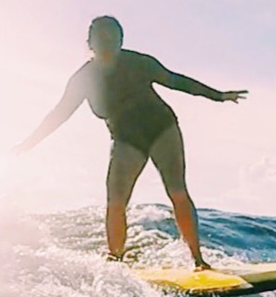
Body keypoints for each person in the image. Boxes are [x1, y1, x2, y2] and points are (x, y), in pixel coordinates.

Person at [15, 16, 245, 268]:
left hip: (161, 128)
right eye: (102, 37)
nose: (108, 42)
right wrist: (29, 143)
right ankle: (116, 262)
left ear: (121, 40)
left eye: (114, 37)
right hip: (126, 139)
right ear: (90, 43)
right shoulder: (84, 78)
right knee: (115, 201)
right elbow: (60, 113)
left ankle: (198, 260)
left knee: (177, 191)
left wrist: (218, 96)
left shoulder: (139, 63)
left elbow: (176, 81)